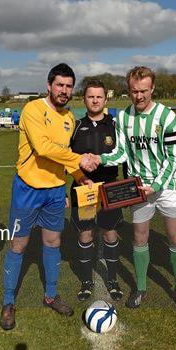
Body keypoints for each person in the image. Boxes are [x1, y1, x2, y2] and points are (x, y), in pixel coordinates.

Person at [0, 63, 96, 330]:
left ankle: (50, 295)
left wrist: (80, 176)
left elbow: (63, 157)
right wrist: (81, 159)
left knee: (53, 243)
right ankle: (8, 302)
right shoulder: (33, 109)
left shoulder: (69, 119)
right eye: (60, 85)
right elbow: (43, 148)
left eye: (68, 86)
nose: (64, 91)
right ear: (49, 85)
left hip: (55, 191)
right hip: (27, 189)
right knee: (18, 245)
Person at [90, 66, 176, 314]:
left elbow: (172, 159)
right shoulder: (123, 118)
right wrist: (100, 159)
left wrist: (156, 186)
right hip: (137, 188)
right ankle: (141, 287)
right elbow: (122, 152)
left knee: (175, 237)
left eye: (144, 91)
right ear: (129, 90)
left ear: (153, 88)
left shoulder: (167, 117)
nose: (139, 96)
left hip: (165, 187)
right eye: (134, 91)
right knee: (139, 237)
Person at [70, 79, 124, 302]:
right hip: (83, 189)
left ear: (105, 99)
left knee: (110, 234)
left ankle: (112, 279)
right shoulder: (75, 127)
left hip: (109, 189)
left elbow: (124, 155)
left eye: (99, 96)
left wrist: (129, 185)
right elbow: (66, 159)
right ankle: (86, 281)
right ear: (84, 99)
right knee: (85, 234)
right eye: (90, 96)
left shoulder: (115, 125)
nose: (95, 100)